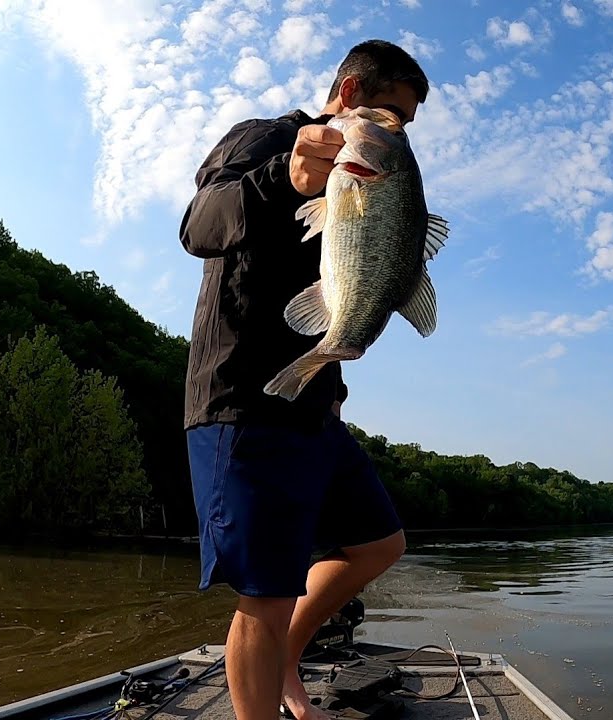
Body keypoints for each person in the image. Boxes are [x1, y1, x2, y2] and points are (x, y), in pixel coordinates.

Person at [177, 40, 430, 720]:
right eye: (393, 114)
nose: (401, 130)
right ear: (349, 95)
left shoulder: (379, 171)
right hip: (242, 404)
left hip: (314, 406)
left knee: (379, 545)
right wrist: (283, 178)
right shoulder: (263, 138)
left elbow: (377, 262)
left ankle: (287, 654)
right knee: (265, 592)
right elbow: (198, 225)